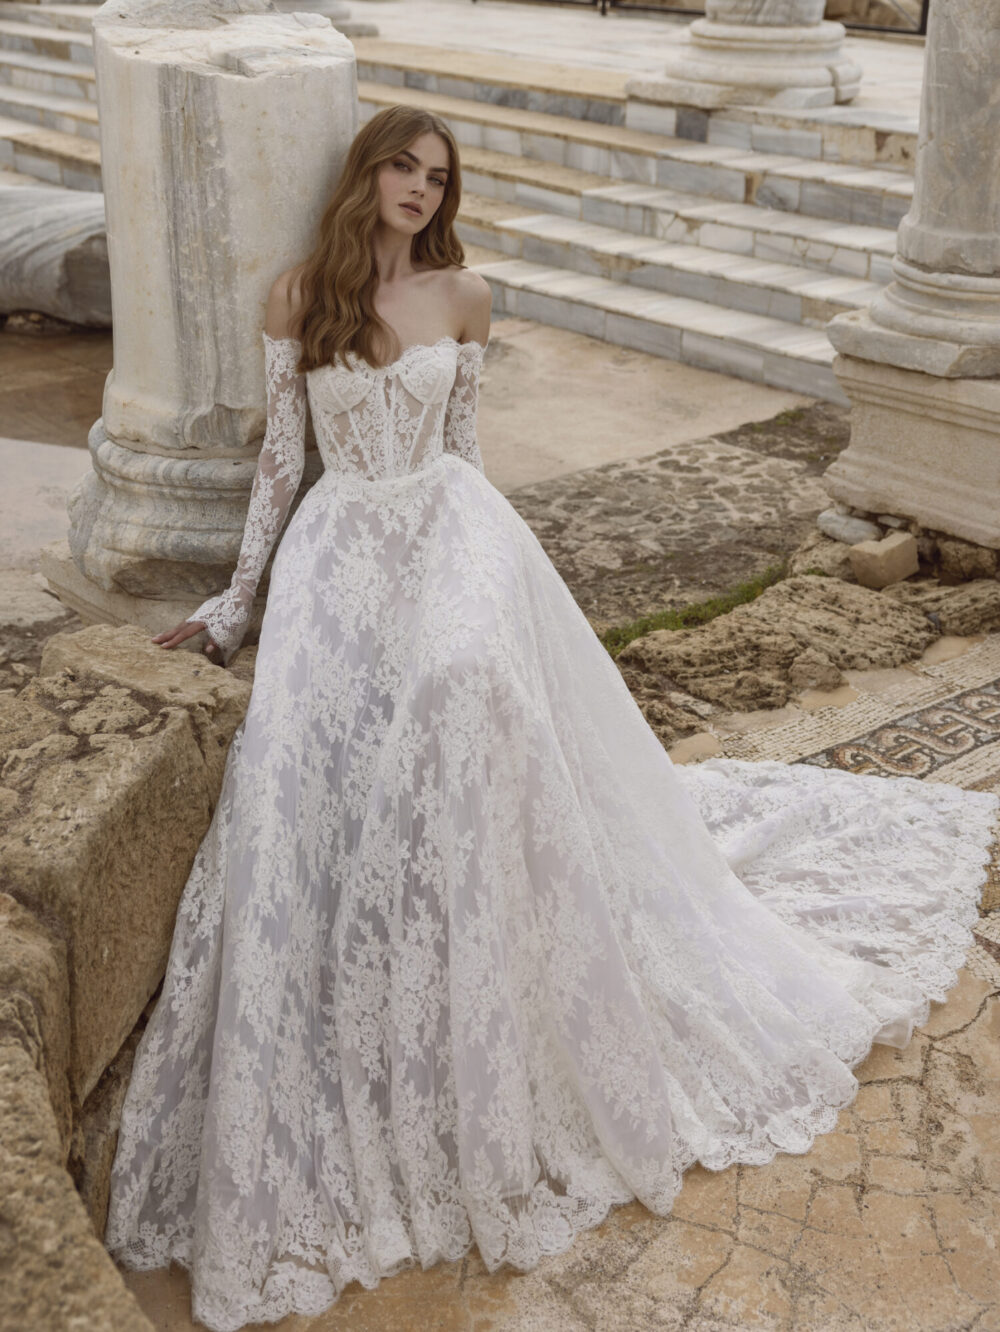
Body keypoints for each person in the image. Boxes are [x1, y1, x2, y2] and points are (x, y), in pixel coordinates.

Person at [105, 104, 999, 1332]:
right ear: (364, 172)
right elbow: (278, 471)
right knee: (315, 763)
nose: (419, 189)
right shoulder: (297, 293)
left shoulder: (468, 296)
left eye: (437, 175)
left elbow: (464, 453)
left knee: (462, 686)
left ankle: (504, 949)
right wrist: (231, 607)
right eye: (401, 167)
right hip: (338, 547)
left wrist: (481, 579)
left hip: (453, 530)